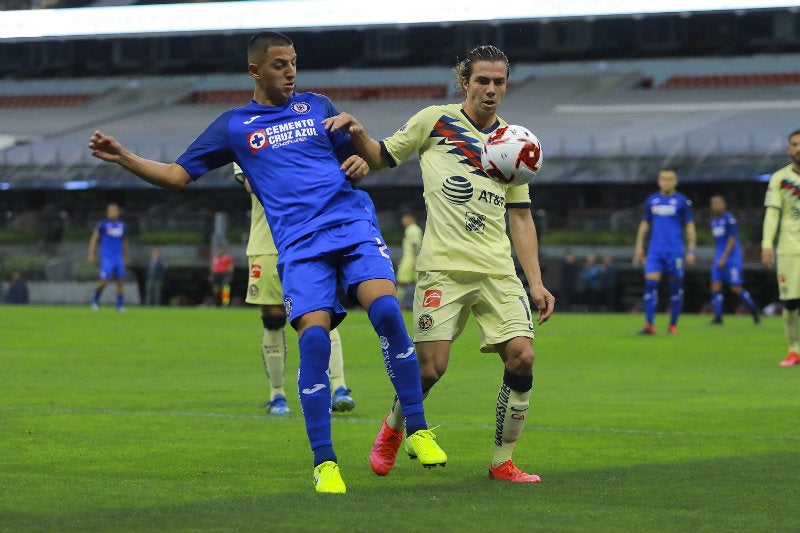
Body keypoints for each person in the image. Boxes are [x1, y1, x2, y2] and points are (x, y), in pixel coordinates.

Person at [88, 31, 445, 494]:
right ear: (255, 71)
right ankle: (325, 463)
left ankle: (415, 429)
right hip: (298, 245)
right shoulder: (234, 126)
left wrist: (358, 160)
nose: (290, 71)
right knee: (314, 342)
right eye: (279, 64)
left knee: (386, 311)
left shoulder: (318, 105)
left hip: (350, 223)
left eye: (294, 62)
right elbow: (177, 176)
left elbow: (364, 161)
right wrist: (124, 158)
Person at [325, 44, 555, 483]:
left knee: (522, 357)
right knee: (430, 369)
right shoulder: (434, 120)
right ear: (464, 80)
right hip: (443, 268)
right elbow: (380, 157)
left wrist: (536, 282)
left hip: (497, 269)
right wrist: (357, 131)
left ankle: (502, 461)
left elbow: (521, 216)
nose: (491, 90)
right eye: (482, 81)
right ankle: (394, 428)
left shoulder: (516, 142)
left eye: (499, 82)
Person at [234, 163, 355, 415]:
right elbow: (250, 184)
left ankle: (339, 387)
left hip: (309, 241)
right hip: (267, 243)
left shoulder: (307, 128)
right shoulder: (247, 131)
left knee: (323, 314)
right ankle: (277, 395)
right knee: (273, 318)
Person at [633, 169, 696, 335]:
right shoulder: (652, 200)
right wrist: (639, 245)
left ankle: (672, 325)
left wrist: (692, 250)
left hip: (675, 251)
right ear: (659, 181)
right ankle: (650, 325)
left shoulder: (683, 202)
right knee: (650, 285)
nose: (666, 182)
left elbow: (689, 226)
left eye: (669, 179)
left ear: (675, 182)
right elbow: (645, 223)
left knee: (675, 287)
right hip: (655, 251)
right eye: (663, 179)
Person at [761, 128, 800, 367]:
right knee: (791, 304)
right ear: (789, 149)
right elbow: (772, 214)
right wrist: (767, 244)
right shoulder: (780, 179)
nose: (799, 149)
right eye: (794, 144)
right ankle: (794, 349)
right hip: (789, 249)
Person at [708, 194, 760, 325]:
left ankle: (753, 310)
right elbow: (718, 242)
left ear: (724, 205)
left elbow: (731, 240)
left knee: (735, 288)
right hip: (719, 258)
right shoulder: (713, 222)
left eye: (718, 203)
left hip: (731, 258)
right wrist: (718, 257)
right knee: (715, 286)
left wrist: (724, 258)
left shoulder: (730, 219)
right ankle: (718, 317)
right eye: (713, 203)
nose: (716, 206)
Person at [87, 202, 128, 312]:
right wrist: (91, 253)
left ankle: (119, 306)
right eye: (110, 210)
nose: (112, 212)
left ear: (118, 212)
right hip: (107, 257)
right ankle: (95, 300)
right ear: (107, 212)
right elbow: (94, 238)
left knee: (120, 281)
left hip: (118, 257)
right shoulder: (103, 224)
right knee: (104, 280)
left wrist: (125, 256)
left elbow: (124, 241)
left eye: (114, 210)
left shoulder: (122, 225)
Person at [396, 211, 423, 311]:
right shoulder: (411, 229)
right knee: (416, 284)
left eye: (406, 218)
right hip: (410, 259)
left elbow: (415, 245)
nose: (404, 221)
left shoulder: (413, 230)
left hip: (411, 260)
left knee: (402, 283)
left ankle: (396, 304)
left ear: (412, 219)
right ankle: (421, 306)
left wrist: (415, 260)